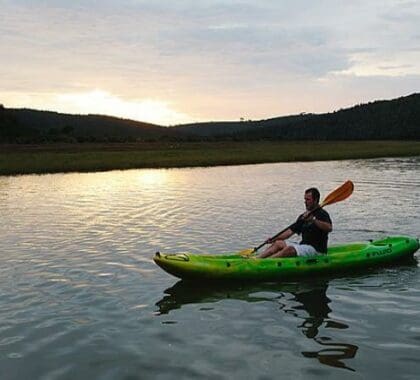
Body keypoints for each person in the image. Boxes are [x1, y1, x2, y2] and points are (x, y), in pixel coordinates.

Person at [257, 187, 332, 258]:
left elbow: (329, 228)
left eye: (308, 200)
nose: (305, 202)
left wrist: (313, 220)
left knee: (290, 249)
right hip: (303, 246)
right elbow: (289, 232)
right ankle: (257, 259)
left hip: (316, 250)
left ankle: (269, 262)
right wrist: (273, 239)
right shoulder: (303, 216)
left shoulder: (322, 214)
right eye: (305, 199)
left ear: (315, 200)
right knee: (278, 243)